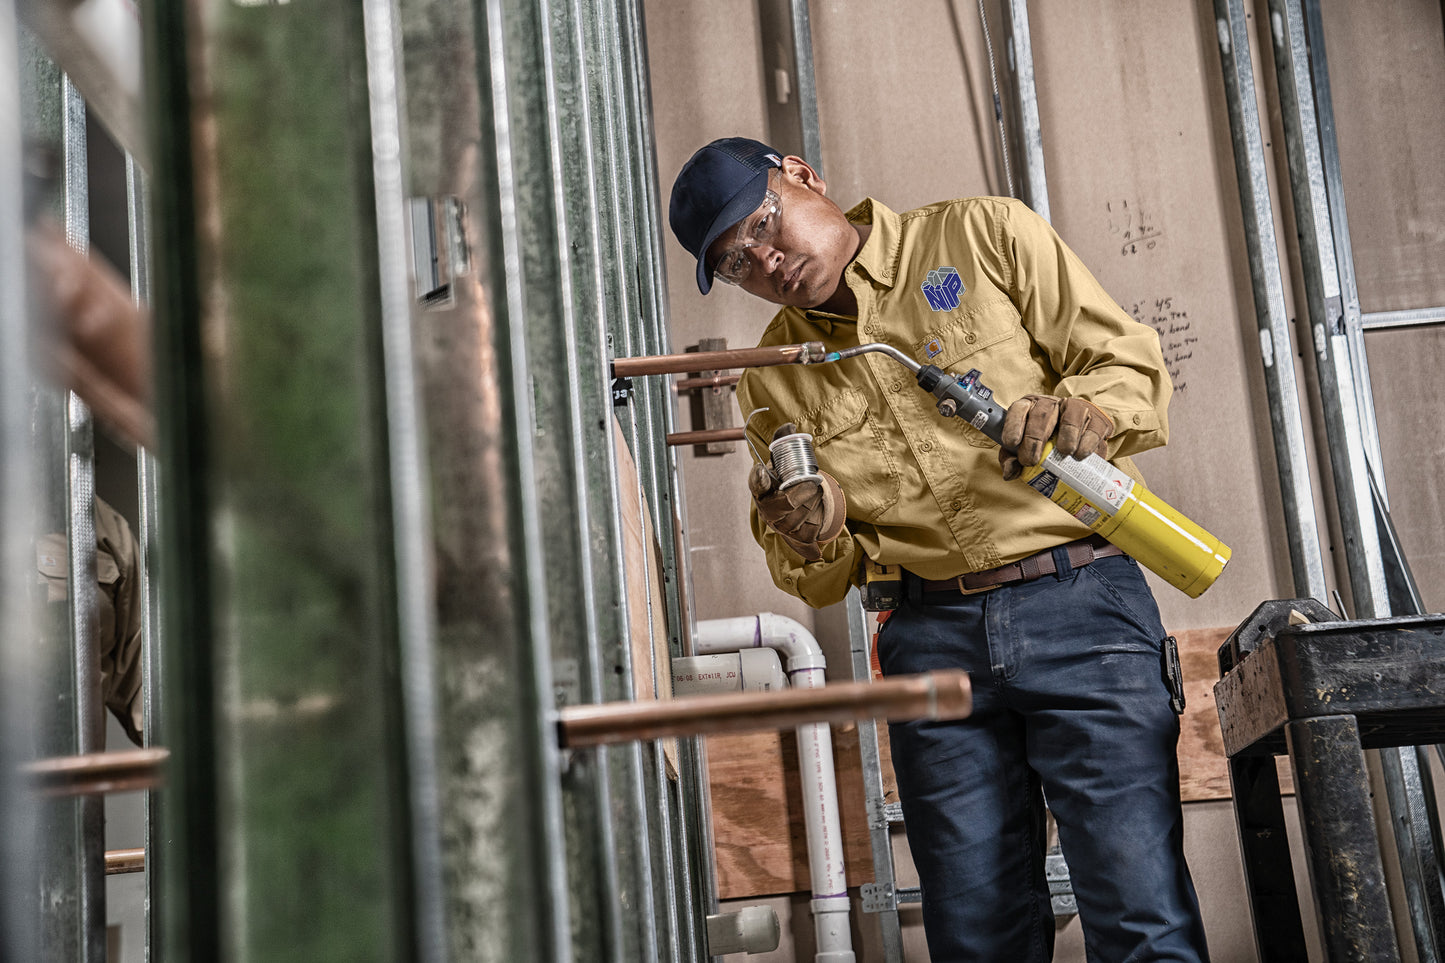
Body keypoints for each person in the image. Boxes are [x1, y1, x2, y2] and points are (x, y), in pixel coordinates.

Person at [668, 136, 1209, 961]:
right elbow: (818, 573)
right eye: (737, 263)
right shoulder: (773, 378)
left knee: (1138, 911)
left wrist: (1086, 412)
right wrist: (811, 534)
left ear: (804, 177)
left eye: (764, 225)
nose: (766, 262)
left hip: (1079, 605)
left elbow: (1124, 364)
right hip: (928, 639)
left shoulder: (982, 236)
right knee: (975, 937)